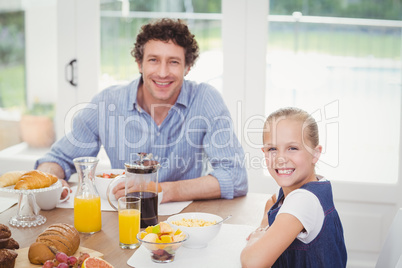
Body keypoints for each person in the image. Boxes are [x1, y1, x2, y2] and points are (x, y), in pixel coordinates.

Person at [35, 18, 248, 203]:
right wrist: (50, 179)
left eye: (173, 62)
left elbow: (235, 177)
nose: (163, 73)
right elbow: (59, 158)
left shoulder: (205, 99)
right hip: (127, 218)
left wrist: (164, 190)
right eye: (153, 60)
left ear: (187, 67)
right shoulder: (107, 103)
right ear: (139, 63)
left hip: (186, 222)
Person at [240, 107, 347, 267]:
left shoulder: (303, 200)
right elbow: (273, 201)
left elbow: (253, 262)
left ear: (315, 153)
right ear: (264, 153)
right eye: (272, 149)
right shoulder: (315, 187)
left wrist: (259, 233)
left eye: (292, 148)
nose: (281, 158)